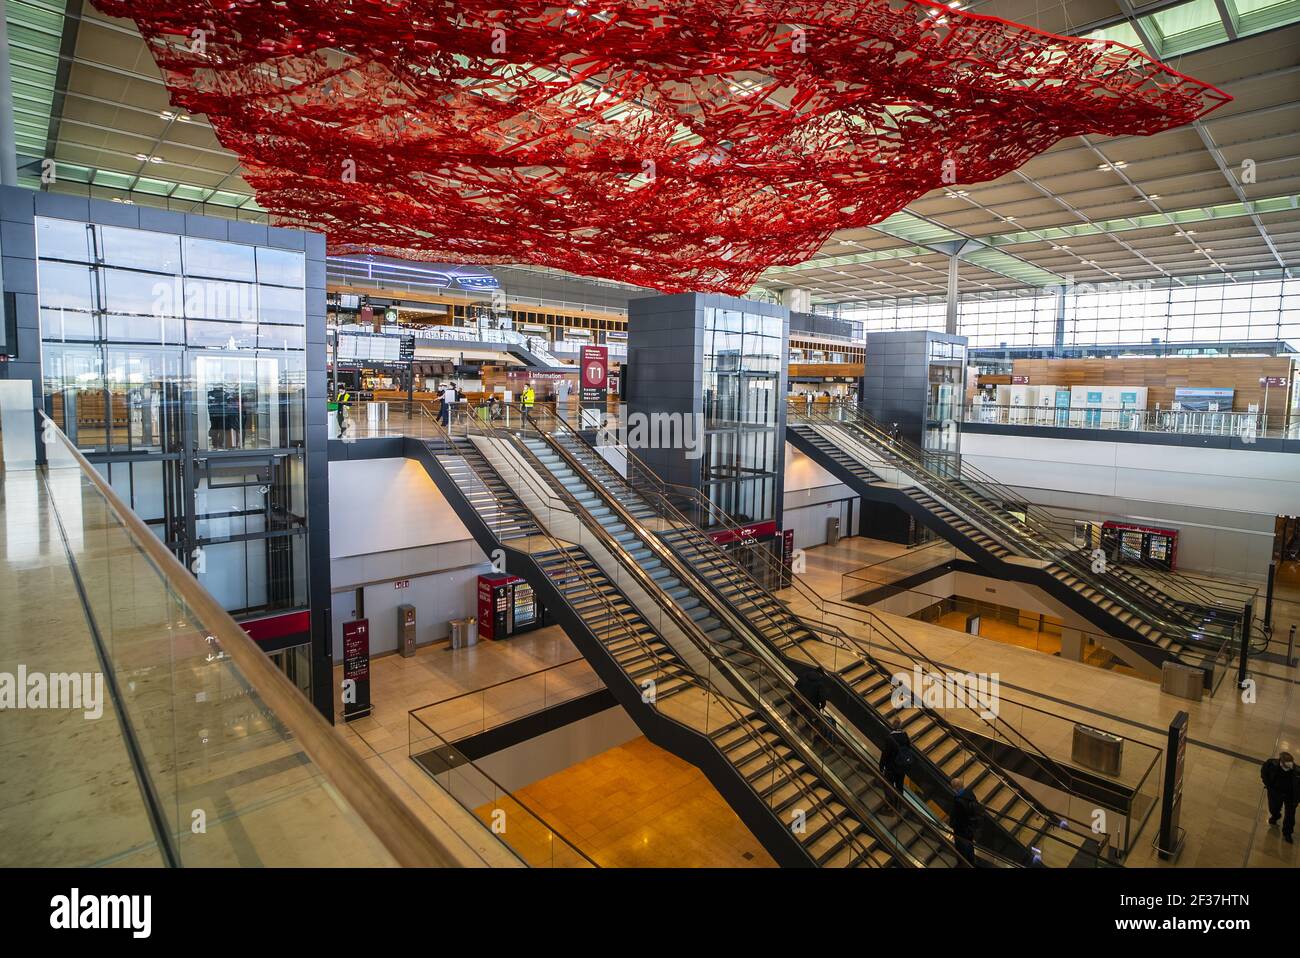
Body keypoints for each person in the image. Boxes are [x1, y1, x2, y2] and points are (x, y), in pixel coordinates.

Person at [1262, 751, 1300, 842]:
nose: (1290, 766)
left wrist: (1297, 799)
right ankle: (1275, 816)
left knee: (1290, 816)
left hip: (1290, 796)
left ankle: (1287, 833)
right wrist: (1268, 785)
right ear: (1281, 762)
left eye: (1291, 763)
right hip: (1276, 793)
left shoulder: (1297, 771)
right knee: (1273, 808)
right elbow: (1264, 772)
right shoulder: (1271, 764)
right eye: (1287, 764)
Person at [879, 717, 914, 804]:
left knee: (889, 786)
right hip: (902, 767)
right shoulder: (905, 735)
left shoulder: (890, 738)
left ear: (892, 726)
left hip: (891, 767)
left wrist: (881, 765)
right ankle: (899, 804)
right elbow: (908, 748)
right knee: (899, 786)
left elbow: (885, 754)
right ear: (900, 725)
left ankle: (891, 804)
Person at [951, 777, 982, 866]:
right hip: (970, 828)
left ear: (956, 788)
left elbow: (958, 818)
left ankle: (963, 864)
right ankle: (971, 862)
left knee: (961, 849)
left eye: (952, 787)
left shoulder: (959, 801)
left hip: (962, 830)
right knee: (969, 845)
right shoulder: (969, 794)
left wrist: (953, 825)